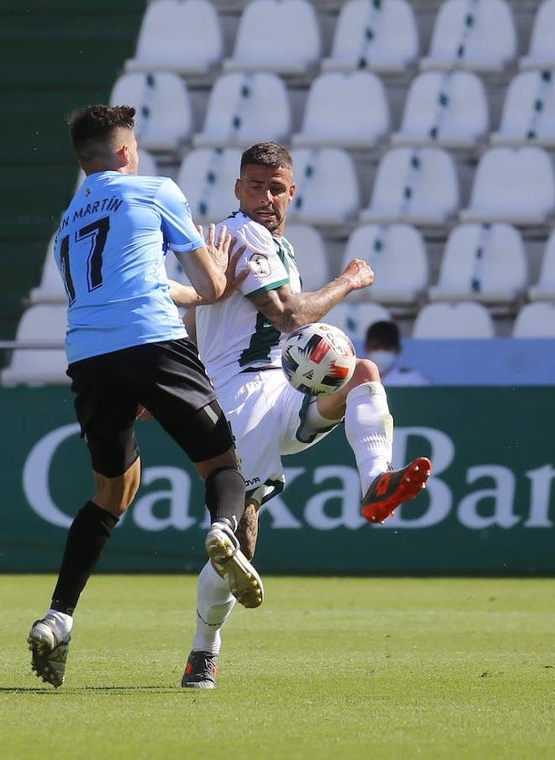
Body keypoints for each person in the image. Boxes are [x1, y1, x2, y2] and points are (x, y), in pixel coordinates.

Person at [177, 142, 433, 689]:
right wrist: (350, 279)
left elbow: (198, 322)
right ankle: (203, 651)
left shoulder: (277, 247)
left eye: (276, 188)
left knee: (363, 372)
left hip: (284, 391)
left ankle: (376, 482)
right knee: (240, 541)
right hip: (242, 401)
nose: (265, 198)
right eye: (255, 186)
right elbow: (291, 315)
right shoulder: (242, 234)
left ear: (291, 191)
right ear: (238, 189)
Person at [26, 104, 261, 689]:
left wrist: (179, 293)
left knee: (111, 493)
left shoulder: (67, 223)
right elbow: (211, 286)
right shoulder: (156, 191)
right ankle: (223, 529)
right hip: (153, 341)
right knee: (223, 465)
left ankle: (58, 617)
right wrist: (217, 276)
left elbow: (117, 286)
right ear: (126, 152)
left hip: (89, 357)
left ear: (84, 162)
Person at [364, 320, 431, 387]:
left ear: (398, 349)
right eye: (375, 347)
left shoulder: (413, 380)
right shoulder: (360, 380)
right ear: (366, 348)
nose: (381, 351)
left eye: (387, 347)